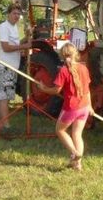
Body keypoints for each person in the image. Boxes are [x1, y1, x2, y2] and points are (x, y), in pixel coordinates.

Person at [39, 42, 93, 171]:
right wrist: (90, 106)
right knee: (77, 134)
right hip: (84, 106)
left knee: (60, 130)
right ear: (76, 54)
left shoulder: (63, 71)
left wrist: (43, 88)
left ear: (62, 56)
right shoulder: (84, 68)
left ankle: (75, 153)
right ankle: (77, 164)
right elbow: (87, 89)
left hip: (72, 108)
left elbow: (56, 90)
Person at [0, 3, 31, 134]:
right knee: (5, 97)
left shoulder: (14, 27)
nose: (17, 16)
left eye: (18, 14)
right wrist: (24, 47)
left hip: (12, 67)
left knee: (3, 97)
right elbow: (6, 47)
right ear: (8, 14)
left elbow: (16, 44)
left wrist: (27, 37)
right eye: (14, 13)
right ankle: (6, 126)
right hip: (5, 66)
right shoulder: (4, 27)